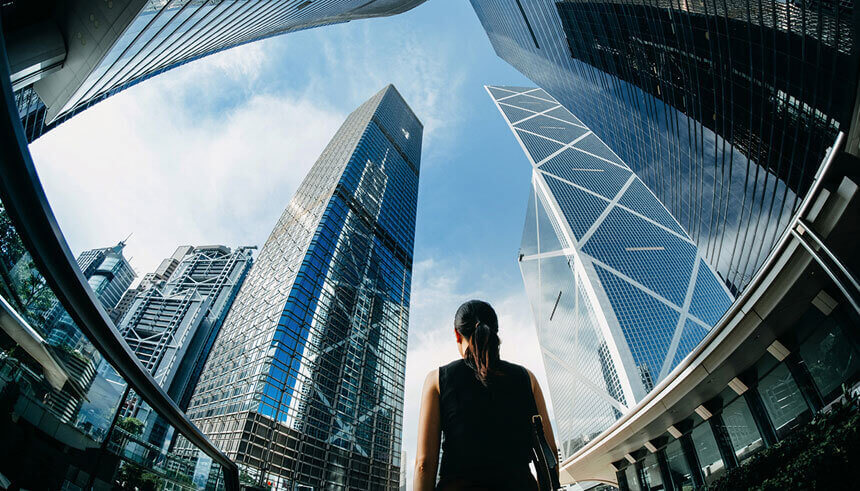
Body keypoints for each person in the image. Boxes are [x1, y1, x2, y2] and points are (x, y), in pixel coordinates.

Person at [413, 299, 558, 490]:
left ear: (457, 334)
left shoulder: (437, 380)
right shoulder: (527, 378)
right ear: (495, 331)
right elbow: (549, 452)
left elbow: (424, 464)